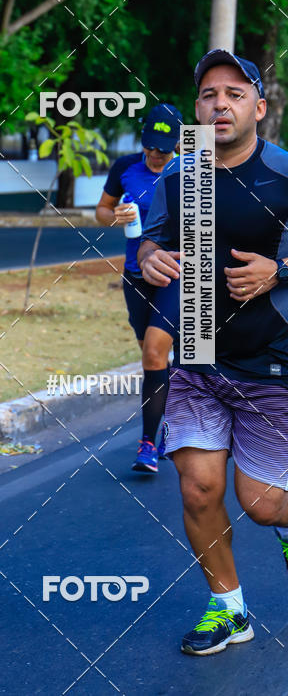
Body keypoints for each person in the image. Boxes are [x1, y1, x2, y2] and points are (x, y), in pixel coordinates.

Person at [138, 48, 288, 656]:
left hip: (271, 358)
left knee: (263, 504)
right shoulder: (183, 176)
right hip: (198, 351)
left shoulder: (282, 174)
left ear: (258, 104)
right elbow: (151, 242)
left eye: (233, 92)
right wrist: (152, 260)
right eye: (207, 95)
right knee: (198, 489)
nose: (219, 104)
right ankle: (228, 608)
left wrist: (278, 270)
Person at [96, 103, 182, 473]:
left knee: (153, 354)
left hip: (176, 275)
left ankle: (148, 442)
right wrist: (116, 216)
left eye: (164, 148)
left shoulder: (191, 170)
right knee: (157, 360)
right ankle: (175, 415)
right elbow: (101, 210)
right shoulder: (125, 168)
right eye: (150, 145)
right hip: (135, 275)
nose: (156, 154)